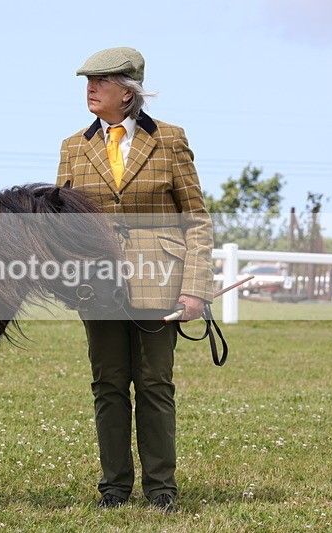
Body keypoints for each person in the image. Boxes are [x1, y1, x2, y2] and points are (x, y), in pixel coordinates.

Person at [56, 47, 214, 512]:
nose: (90, 88)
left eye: (100, 81)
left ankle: (161, 489)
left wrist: (195, 289)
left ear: (128, 92)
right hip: (97, 285)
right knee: (107, 384)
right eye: (88, 80)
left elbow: (197, 220)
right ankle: (114, 489)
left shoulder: (170, 140)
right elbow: (63, 224)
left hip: (161, 282)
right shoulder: (72, 146)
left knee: (153, 385)